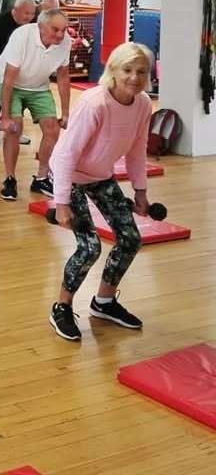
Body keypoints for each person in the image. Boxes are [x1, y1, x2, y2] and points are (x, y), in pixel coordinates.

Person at [48, 42, 154, 342]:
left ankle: (104, 302)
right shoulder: (95, 103)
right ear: (113, 70)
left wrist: (140, 190)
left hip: (101, 175)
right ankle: (62, 307)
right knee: (89, 247)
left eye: (141, 72)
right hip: (70, 175)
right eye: (128, 70)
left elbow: (137, 149)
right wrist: (61, 203)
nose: (134, 77)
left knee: (130, 239)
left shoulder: (143, 104)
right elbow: (67, 154)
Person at [0, 8, 72, 202]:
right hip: (9, 83)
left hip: (38, 86)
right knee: (15, 128)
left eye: (64, 30)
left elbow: (63, 77)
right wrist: (5, 117)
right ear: (41, 27)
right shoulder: (22, 36)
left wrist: (66, 113)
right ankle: (10, 179)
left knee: (53, 129)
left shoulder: (65, 42)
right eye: (55, 29)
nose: (60, 34)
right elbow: (8, 78)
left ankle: (41, 178)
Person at [0, 0, 37, 146]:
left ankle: (14, 130)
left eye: (32, 14)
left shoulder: (32, 24)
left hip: (19, 68)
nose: (30, 17)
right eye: (26, 13)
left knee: (18, 98)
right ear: (15, 10)